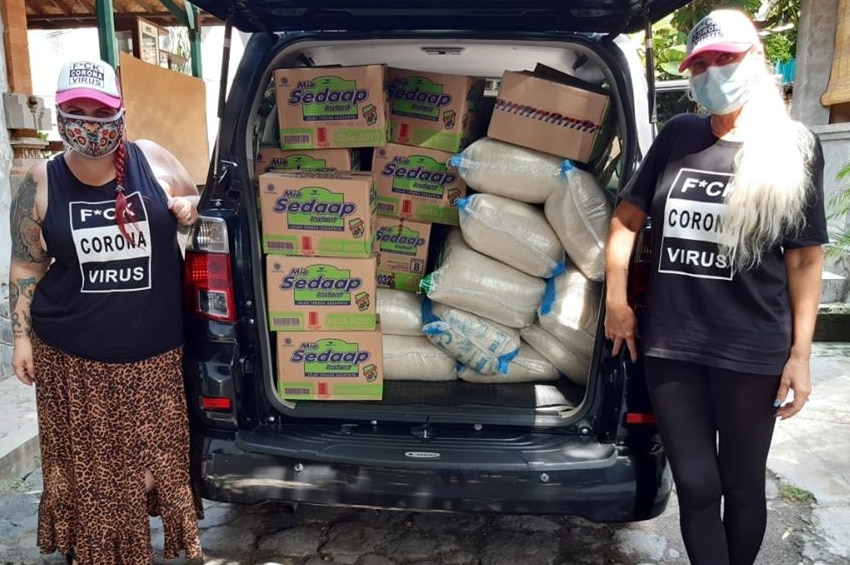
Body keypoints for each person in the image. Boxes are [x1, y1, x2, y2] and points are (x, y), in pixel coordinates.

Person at [604, 9, 825, 565]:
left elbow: (804, 260)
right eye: (700, 63)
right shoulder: (679, 135)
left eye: (724, 58)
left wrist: (800, 356)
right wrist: (617, 303)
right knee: (698, 488)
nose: (711, 72)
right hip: (671, 344)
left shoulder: (794, 148)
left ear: (757, 62)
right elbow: (625, 221)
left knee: (743, 486)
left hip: (752, 349)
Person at [8, 59, 203, 564]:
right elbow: (28, 263)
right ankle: (99, 551)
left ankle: (126, 544)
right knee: (92, 470)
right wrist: (23, 338)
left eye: (101, 111)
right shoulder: (38, 182)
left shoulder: (152, 159)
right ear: (60, 115)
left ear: (121, 112)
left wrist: (189, 209)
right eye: (76, 110)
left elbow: (193, 198)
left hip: (153, 353)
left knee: (151, 462)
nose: (89, 123)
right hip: (74, 357)